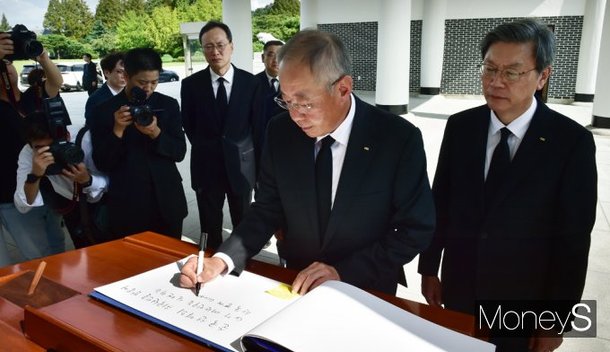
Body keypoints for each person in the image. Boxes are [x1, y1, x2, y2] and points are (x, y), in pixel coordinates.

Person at [180, 29, 435, 296]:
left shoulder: (397, 139)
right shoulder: (280, 131)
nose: (295, 115)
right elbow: (267, 208)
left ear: (343, 88)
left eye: (305, 103)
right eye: (286, 101)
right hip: (297, 283)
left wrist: (343, 271)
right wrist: (222, 260)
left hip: (367, 286)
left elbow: (414, 228)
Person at [417, 19, 597, 352]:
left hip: (523, 298)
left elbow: (573, 240)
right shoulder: (461, 127)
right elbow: (441, 200)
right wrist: (429, 269)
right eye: (489, 69)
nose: (496, 82)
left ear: (543, 76)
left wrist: (557, 320)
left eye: (512, 72)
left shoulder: (571, 142)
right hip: (461, 283)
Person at [181, 21, 263, 249]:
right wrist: (206, 147)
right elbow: (188, 123)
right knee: (209, 226)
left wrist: (260, 169)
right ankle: (208, 265)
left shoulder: (252, 83)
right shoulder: (190, 85)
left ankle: (241, 266)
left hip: (242, 167)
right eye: (208, 47)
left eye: (220, 45)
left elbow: (257, 128)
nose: (215, 52)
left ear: (231, 46)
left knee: (243, 223)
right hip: (206, 167)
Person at [90, 47, 187, 240]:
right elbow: (103, 163)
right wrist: (117, 130)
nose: (148, 88)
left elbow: (179, 152)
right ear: (126, 76)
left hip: (167, 200)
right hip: (128, 205)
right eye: (142, 82)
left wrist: (156, 133)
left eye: (154, 82)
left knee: (171, 260)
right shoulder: (104, 110)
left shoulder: (167, 105)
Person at [0, 32, 66, 266]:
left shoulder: (31, 98)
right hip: (8, 190)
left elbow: (56, 82)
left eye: (8, 65)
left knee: (56, 248)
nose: (5, 69)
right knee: (36, 254)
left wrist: (42, 56)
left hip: (44, 183)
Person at [14, 111, 109, 248]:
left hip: (104, 204)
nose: (51, 153)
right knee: (84, 252)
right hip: (70, 205)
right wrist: (35, 175)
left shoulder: (85, 139)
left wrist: (87, 180)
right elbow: (23, 203)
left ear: (67, 136)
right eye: (42, 149)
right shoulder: (29, 153)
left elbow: (115, 181)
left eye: (54, 146)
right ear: (31, 146)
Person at [255, 40, 285, 144]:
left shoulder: (293, 83)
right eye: (271, 55)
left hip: (286, 139)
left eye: (280, 55)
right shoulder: (252, 83)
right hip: (260, 141)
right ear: (263, 58)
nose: (276, 60)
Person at [85, 52, 126, 123]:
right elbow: (92, 129)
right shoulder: (95, 100)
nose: (125, 76)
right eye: (120, 71)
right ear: (107, 73)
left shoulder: (134, 95)